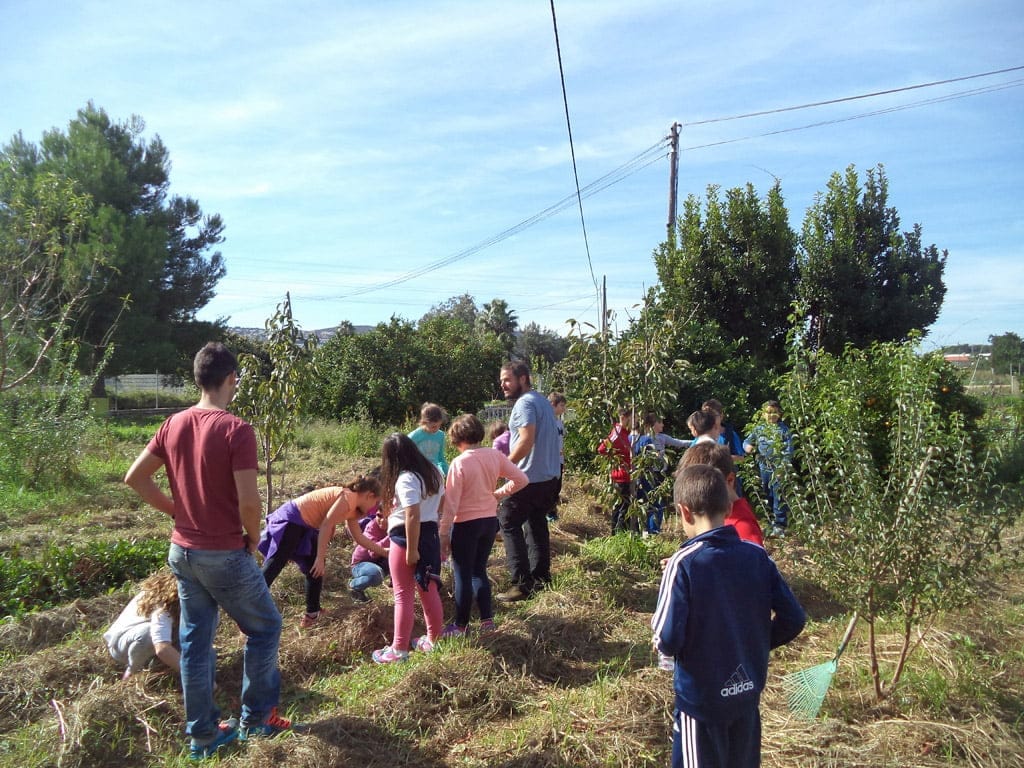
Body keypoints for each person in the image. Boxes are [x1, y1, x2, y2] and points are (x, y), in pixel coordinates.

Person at [124, 342, 290, 760]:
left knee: (195, 643)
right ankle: (257, 719)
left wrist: (176, 511)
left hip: (182, 552)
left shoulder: (173, 424)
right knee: (265, 627)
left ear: (198, 378)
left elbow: (135, 478)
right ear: (231, 379)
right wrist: (253, 537)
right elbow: (249, 501)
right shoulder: (236, 429)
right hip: (223, 553)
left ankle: (202, 736)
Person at [652, 464, 805, 767]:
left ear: (684, 512)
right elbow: (794, 618)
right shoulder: (757, 556)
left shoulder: (683, 563)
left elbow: (667, 639)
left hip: (700, 704)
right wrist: (754, 643)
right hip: (746, 697)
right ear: (728, 506)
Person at [439, 413, 529, 636]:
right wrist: (497, 494)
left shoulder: (459, 463)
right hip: (489, 521)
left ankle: (461, 625)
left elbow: (451, 503)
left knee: (462, 573)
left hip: (465, 524)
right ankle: (487, 621)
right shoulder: (494, 455)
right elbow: (522, 479)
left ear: (457, 439)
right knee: (479, 570)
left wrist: (443, 532)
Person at [258, 476, 386, 627]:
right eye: (375, 502)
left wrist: (385, 552)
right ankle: (250, 603)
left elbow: (359, 538)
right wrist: (320, 557)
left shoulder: (353, 509)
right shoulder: (348, 498)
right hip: (292, 519)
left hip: (304, 525)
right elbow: (326, 525)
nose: (374, 507)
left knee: (315, 569)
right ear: (369, 495)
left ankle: (312, 613)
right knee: (275, 565)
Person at [372, 433, 446, 663]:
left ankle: (398, 649)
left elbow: (412, 514)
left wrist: (412, 549)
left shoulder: (405, 478)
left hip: (405, 539)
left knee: (403, 594)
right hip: (430, 535)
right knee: (428, 588)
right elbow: (442, 501)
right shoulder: (434, 472)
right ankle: (434, 640)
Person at [495, 361, 562, 602]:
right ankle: (541, 578)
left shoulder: (524, 403)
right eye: (502, 380)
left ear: (523, 378)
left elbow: (526, 440)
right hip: (548, 477)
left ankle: (521, 585)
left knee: (507, 521)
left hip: (528, 478)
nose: (503, 385)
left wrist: (504, 466)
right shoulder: (542, 401)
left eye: (507, 379)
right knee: (536, 524)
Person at [679, 441, 764, 546]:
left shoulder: (742, 526)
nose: (699, 494)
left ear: (729, 480)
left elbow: (753, 555)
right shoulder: (716, 515)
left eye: (707, 487)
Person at [104, 569, 181, 680]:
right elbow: (162, 648)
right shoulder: (165, 603)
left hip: (159, 642)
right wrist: (195, 675)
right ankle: (131, 672)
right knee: (148, 634)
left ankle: (158, 664)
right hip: (122, 646)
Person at [633, 412, 691, 535]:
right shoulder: (642, 439)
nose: (663, 425)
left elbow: (679, 442)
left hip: (659, 474)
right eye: (660, 422)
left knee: (655, 501)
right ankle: (650, 530)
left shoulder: (662, 437)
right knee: (654, 502)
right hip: (649, 473)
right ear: (652, 424)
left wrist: (696, 441)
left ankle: (650, 530)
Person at [743, 400, 794, 538]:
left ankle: (780, 524)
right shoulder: (759, 429)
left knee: (779, 495)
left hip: (779, 469)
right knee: (767, 493)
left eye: (775, 412)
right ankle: (771, 523)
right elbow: (747, 441)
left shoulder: (784, 430)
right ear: (763, 414)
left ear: (780, 414)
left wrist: (782, 467)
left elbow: (789, 450)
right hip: (764, 468)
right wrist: (748, 447)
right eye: (769, 412)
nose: (772, 415)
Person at [598, 406, 635, 534]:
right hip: (621, 476)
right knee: (621, 507)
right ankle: (616, 534)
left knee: (627, 507)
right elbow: (602, 449)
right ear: (623, 418)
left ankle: (623, 533)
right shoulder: (617, 432)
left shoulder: (627, 432)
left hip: (629, 475)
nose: (634, 422)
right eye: (632, 419)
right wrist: (617, 460)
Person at [348, 503, 390, 603]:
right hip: (360, 564)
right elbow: (373, 553)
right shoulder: (372, 526)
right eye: (379, 515)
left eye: (388, 517)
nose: (383, 520)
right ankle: (354, 585)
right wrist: (391, 536)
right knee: (376, 574)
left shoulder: (396, 527)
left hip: (379, 561)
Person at [408, 402, 450, 477]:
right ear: (424, 422)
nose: (437, 429)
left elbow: (441, 458)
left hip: (434, 472)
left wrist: (447, 474)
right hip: (417, 473)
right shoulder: (413, 436)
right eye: (433, 426)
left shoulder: (441, 435)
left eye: (439, 426)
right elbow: (405, 457)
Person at [547, 392, 567, 523]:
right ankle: (548, 512)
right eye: (561, 405)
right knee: (550, 487)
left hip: (559, 460)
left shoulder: (559, 422)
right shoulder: (547, 422)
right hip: (550, 461)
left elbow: (560, 441)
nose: (564, 408)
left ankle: (552, 511)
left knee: (557, 487)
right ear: (552, 405)